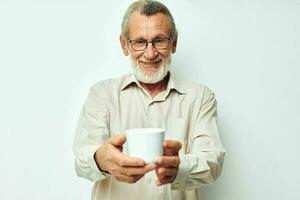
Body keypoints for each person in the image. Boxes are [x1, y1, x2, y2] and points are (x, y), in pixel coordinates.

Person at [73, 0, 225, 199]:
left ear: (174, 43)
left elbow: (212, 161)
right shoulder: (101, 94)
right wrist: (102, 159)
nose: (150, 53)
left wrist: (179, 168)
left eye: (159, 40)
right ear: (124, 45)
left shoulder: (200, 98)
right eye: (139, 42)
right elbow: (82, 160)